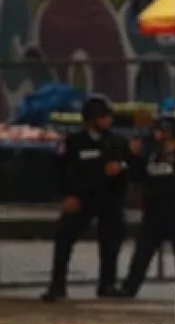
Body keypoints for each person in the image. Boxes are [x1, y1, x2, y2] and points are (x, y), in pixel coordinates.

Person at [42, 93, 134, 302]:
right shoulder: (74, 142)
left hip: (109, 199)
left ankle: (107, 284)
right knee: (64, 237)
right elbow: (59, 171)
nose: (107, 121)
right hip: (81, 199)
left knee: (111, 241)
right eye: (103, 117)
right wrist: (66, 196)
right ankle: (57, 286)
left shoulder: (116, 141)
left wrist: (121, 167)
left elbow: (133, 165)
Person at [119, 115, 175, 298]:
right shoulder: (153, 153)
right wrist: (132, 156)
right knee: (143, 251)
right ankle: (130, 287)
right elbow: (139, 175)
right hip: (154, 210)